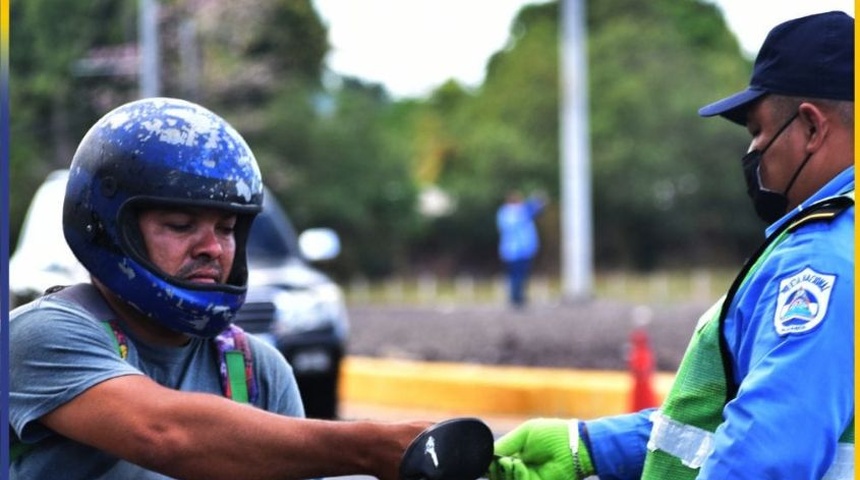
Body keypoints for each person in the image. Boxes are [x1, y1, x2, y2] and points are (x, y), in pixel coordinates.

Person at [488, 11, 854, 480]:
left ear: (810, 129)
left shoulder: (821, 260)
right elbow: (729, 421)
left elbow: (763, 461)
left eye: (758, 131)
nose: (753, 152)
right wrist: (588, 446)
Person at [8, 97, 430, 480]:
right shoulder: (36, 336)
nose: (212, 248)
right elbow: (163, 434)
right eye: (181, 226)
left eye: (226, 229)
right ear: (107, 227)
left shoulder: (258, 370)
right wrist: (369, 449)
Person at [496, 190, 547, 308]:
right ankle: (517, 298)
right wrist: (538, 200)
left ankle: (515, 297)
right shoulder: (519, 212)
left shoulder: (503, 213)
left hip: (510, 250)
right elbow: (536, 208)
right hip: (521, 249)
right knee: (520, 275)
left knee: (514, 275)